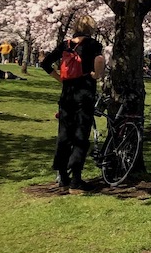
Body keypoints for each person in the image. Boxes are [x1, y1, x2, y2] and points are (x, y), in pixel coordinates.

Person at [40, 14, 106, 192]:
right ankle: (76, 179)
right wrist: (96, 75)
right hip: (84, 93)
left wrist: (61, 79)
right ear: (90, 28)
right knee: (80, 135)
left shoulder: (66, 44)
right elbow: (99, 60)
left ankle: (62, 175)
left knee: (64, 134)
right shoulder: (93, 44)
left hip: (67, 94)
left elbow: (45, 63)